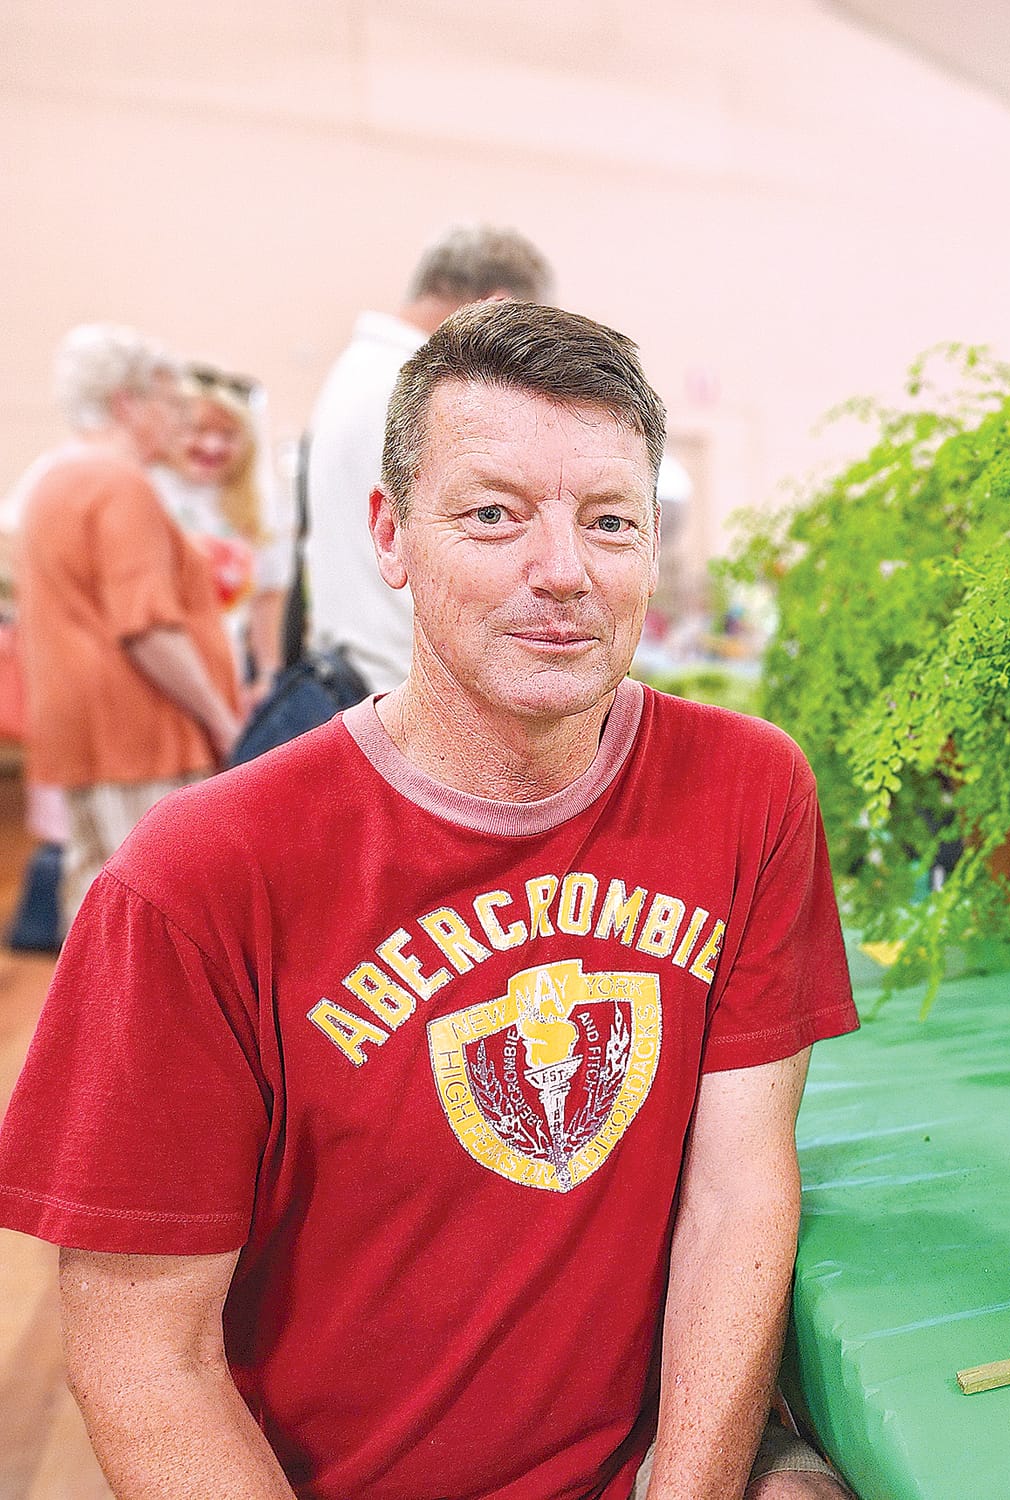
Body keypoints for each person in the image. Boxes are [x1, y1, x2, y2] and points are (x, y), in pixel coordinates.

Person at [0, 301, 858, 1500]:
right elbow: (149, 1356)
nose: (560, 571)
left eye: (608, 521)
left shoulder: (747, 787)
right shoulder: (194, 881)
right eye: (493, 515)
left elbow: (735, 1187)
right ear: (389, 536)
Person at [11, 324, 242, 932]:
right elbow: (147, 629)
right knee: (145, 912)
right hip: (137, 729)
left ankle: (86, 1028)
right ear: (126, 403)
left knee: (93, 899)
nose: (180, 422)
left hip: (86, 727)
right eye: (171, 404)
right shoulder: (119, 485)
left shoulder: (55, 477)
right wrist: (223, 719)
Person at [304, 222, 554, 695]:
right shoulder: (428, 391)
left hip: (355, 668)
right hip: (403, 680)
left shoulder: (358, 372)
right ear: (496, 307)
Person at [152, 365, 293, 702]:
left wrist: (268, 676)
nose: (212, 445)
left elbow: (268, 596)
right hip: (160, 672)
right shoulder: (148, 488)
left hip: (228, 673)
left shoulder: (257, 504)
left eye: (228, 434)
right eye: (197, 430)